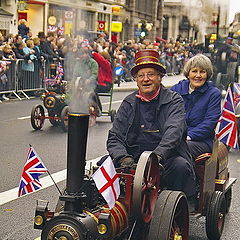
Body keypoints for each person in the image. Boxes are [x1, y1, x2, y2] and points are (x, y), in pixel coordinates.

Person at [104, 49, 196, 199]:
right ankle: (114, 206)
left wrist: (157, 157)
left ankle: (174, 208)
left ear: (160, 77)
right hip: (133, 159)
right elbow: (115, 136)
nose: (146, 79)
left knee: (181, 167)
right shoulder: (128, 102)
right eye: (141, 75)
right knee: (103, 165)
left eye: (151, 74)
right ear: (136, 79)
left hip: (165, 159)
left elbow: (174, 133)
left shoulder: (174, 100)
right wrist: (123, 158)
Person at [171, 54, 222, 159]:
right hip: (174, 137)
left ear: (207, 74)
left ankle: (187, 175)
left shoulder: (213, 94)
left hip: (200, 141)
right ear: (188, 73)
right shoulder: (176, 90)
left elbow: (209, 123)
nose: (198, 75)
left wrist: (188, 136)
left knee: (180, 150)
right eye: (194, 71)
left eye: (202, 72)